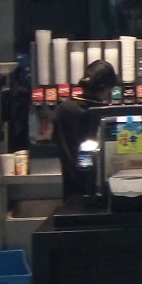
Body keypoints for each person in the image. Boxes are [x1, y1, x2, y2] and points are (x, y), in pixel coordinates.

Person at [54, 59, 116, 198]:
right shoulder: (104, 115)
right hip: (100, 191)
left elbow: (55, 139)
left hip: (71, 192)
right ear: (105, 89)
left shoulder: (63, 109)